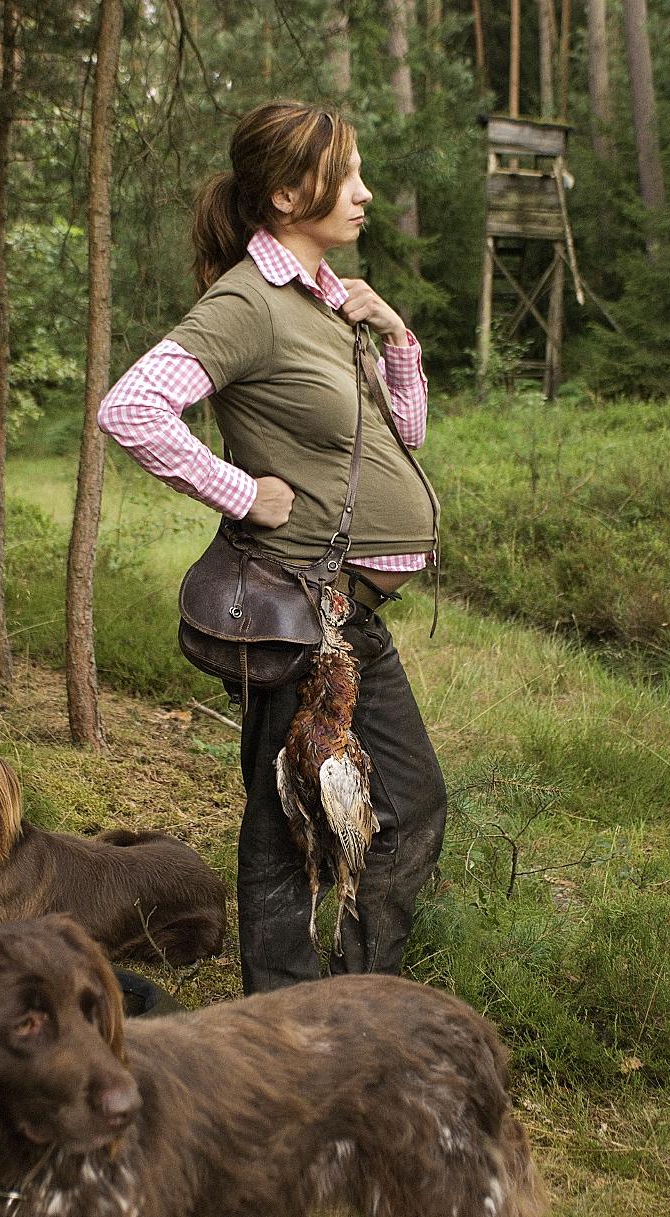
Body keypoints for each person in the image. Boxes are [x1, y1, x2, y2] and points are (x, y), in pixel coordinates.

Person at [98, 100, 446, 995]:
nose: (365, 194)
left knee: (408, 808)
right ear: (289, 195)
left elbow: (401, 436)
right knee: (286, 824)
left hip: (348, 617)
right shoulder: (248, 303)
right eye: (348, 176)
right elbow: (131, 408)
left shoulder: (325, 305)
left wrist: (396, 339)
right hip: (295, 605)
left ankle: (347, 1007)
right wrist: (240, 489)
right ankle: (290, 1028)